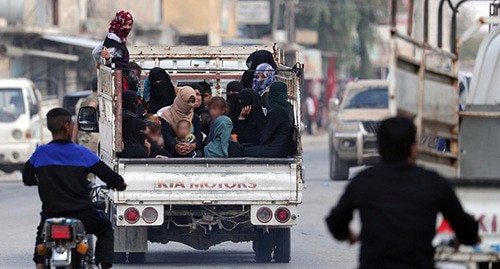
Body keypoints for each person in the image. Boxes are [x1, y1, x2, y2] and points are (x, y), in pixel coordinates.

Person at [326, 117, 479, 269]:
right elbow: (466, 228)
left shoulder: (363, 181)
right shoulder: (433, 183)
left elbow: (335, 222)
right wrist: (468, 235)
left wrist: (348, 235)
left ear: (380, 148)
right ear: (413, 149)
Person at [23, 108, 126, 269]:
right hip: (82, 214)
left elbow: (27, 179)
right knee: (105, 228)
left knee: (41, 235)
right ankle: (104, 265)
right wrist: (120, 184)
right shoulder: (82, 153)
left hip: (51, 214)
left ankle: (39, 264)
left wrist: (44, 181)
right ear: (67, 127)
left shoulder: (40, 154)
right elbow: (111, 178)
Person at [244, 82, 295, 158]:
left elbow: (266, 136)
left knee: (244, 151)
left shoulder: (275, 112)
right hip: (284, 148)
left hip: (275, 150)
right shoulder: (289, 108)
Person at [92, 11, 135, 90]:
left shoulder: (114, 35)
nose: (128, 27)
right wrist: (104, 61)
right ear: (119, 24)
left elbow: (95, 52)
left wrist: (98, 62)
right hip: (119, 79)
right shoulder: (115, 39)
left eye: (130, 25)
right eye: (125, 24)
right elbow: (108, 59)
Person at [159, 86, 203, 157]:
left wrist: (193, 145)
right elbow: (167, 136)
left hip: (190, 150)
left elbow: (198, 136)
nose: (189, 105)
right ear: (181, 100)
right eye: (187, 101)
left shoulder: (194, 116)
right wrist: (176, 146)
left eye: (192, 102)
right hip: (171, 150)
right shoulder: (167, 116)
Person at [72, 78, 99, 153]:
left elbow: (76, 123)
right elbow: (91, 106)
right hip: (91, 141)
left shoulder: (84, 100)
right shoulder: (97, 98)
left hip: (83, 140)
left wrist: (73, 141)